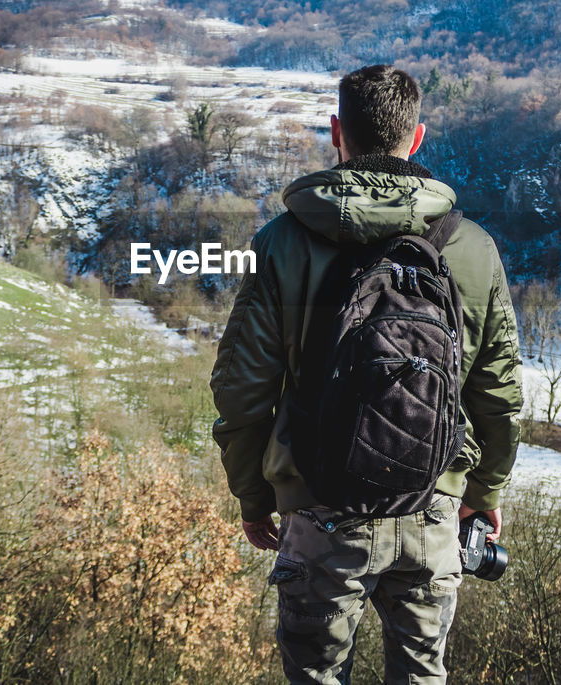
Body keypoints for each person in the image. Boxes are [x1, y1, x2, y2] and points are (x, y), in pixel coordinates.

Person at [211, 64, 523, 684]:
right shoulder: (473, 248)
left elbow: (242, 388)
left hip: (321, 511)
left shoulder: (281, 243)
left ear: (337, 133)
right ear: (417, 137)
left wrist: (254, 494)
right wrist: (482, 493)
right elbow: (499, 393)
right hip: (433, 508)